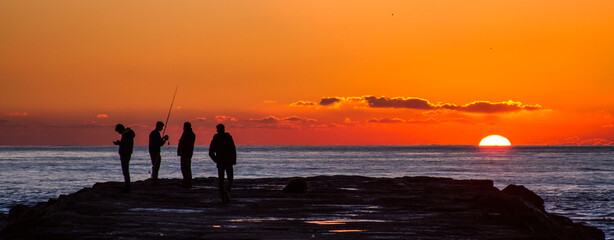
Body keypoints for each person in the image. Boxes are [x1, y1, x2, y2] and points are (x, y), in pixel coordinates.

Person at [209, 124, 236, 203]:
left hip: (223, 161)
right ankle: (226, 193)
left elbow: (211, 152)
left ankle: (224, 195)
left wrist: (216, 159)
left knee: (222, 180)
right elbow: (233, 149)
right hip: (226, 161)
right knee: (229, 179)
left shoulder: (217, 138)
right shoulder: (226, 138)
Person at [113, 124, 135, 193]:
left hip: (125, 154)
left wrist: (119, 143)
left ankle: (127, 187)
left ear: (121, 129)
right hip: (126, 154)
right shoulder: (127, 134)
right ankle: (127, 186)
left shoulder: (126, 135)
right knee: (125, 171)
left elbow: (126, 145)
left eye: (118, 131)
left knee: (125, 171)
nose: (119, 133)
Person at [177, 122, 196, 188]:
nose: (183, 128)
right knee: (185, 167)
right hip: (185, 153)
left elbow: (185, 143)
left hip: (186, 153)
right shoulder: (188, 134)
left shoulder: (188, 134)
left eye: (184, 126)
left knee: (186, 167)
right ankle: (186, 181)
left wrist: (182, 150)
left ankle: (187, 182)